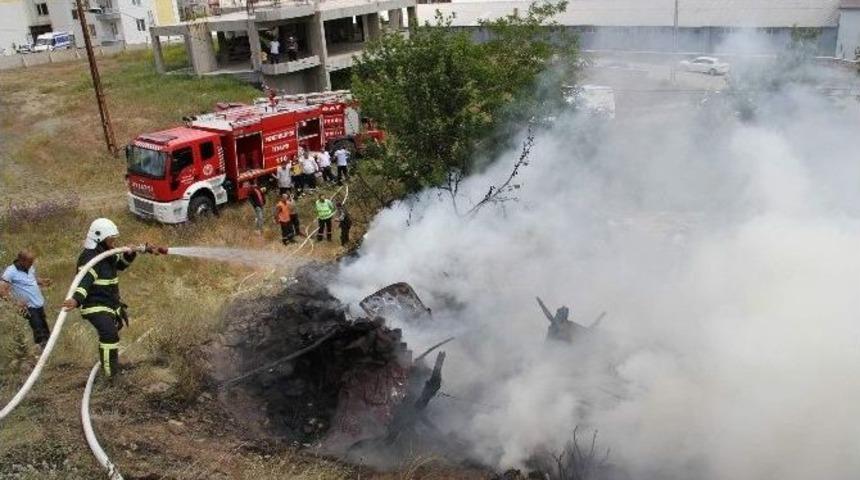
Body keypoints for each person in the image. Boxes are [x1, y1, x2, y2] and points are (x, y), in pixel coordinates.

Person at [61, 218, 160, 378]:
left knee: (111, 334)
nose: (113, 242)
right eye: (111, 239)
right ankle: (111, 376)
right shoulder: (89, 257)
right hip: (95, 305)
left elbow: (120, 265)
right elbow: (85, 280)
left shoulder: (106, 253)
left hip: (109, 303)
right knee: (109, 334)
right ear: (99, 237)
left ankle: (111, 366)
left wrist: (130, 254)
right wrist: (76, 300)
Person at [1, 251, 52, 349]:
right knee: (39, 331)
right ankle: (41, 352)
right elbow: (2, 290)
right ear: (21, 261)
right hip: (28, 307)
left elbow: (32, 279)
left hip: (38, 305)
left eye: (32, 262)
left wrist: (42, 281)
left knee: (45, 329)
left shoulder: (30, 268)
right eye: (30, 262)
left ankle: (47, 351)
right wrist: (15, 303)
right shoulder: (10, 272)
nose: (32, 264)